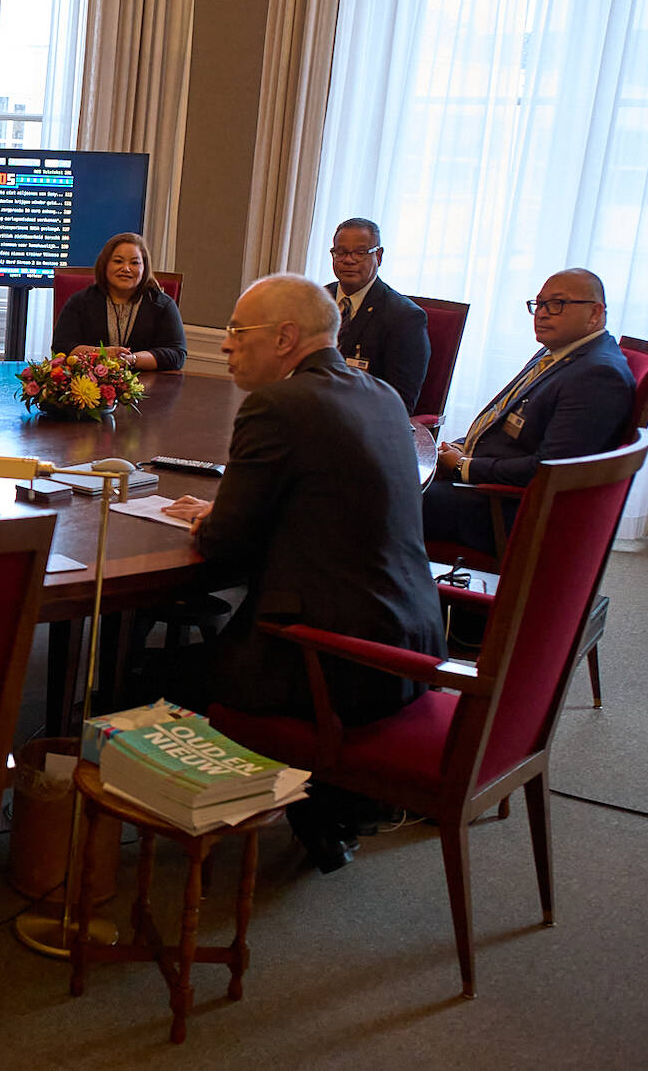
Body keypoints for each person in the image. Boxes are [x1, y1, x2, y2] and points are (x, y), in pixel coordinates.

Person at [162, 274, 444, 872]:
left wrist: (213, 521)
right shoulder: (379, 394)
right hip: (411, 644)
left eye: (239, 332)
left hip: (333, 667)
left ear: (286, 337)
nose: (227, 345)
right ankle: (331, 808)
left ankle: (274, 816)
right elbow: (329, 502)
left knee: (152, 675)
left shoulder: (277, 405)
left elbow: (226, 546)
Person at [424, 268, 635, 554]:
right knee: (384, 478)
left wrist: (465, 466)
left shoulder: (598, 375)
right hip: (487, 483)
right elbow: (504, 420)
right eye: (539, 304)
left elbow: (550, 469)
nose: (543, 314)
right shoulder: (555, 353)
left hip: (507, 511)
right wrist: (461, 449)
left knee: (385, 501)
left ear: (595, 313)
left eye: (557, 304)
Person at [323, 217, 429, 411]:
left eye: (360, 252)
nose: (349, 259)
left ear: (378, 256)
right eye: (341, 252)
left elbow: (400, 403)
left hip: (363, 423)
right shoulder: (317, 301)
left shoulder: (403, 317)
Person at [49, 232, 186, 370]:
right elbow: (62, 346)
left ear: (144, 268)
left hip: (147, 387)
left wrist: (132, 359)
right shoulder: (80, 302)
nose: (126, 269)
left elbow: (177, 354)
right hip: (89, 385)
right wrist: (103, 354)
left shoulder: (162, 305)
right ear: (105, 265)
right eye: (118, 261)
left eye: (134, 263)